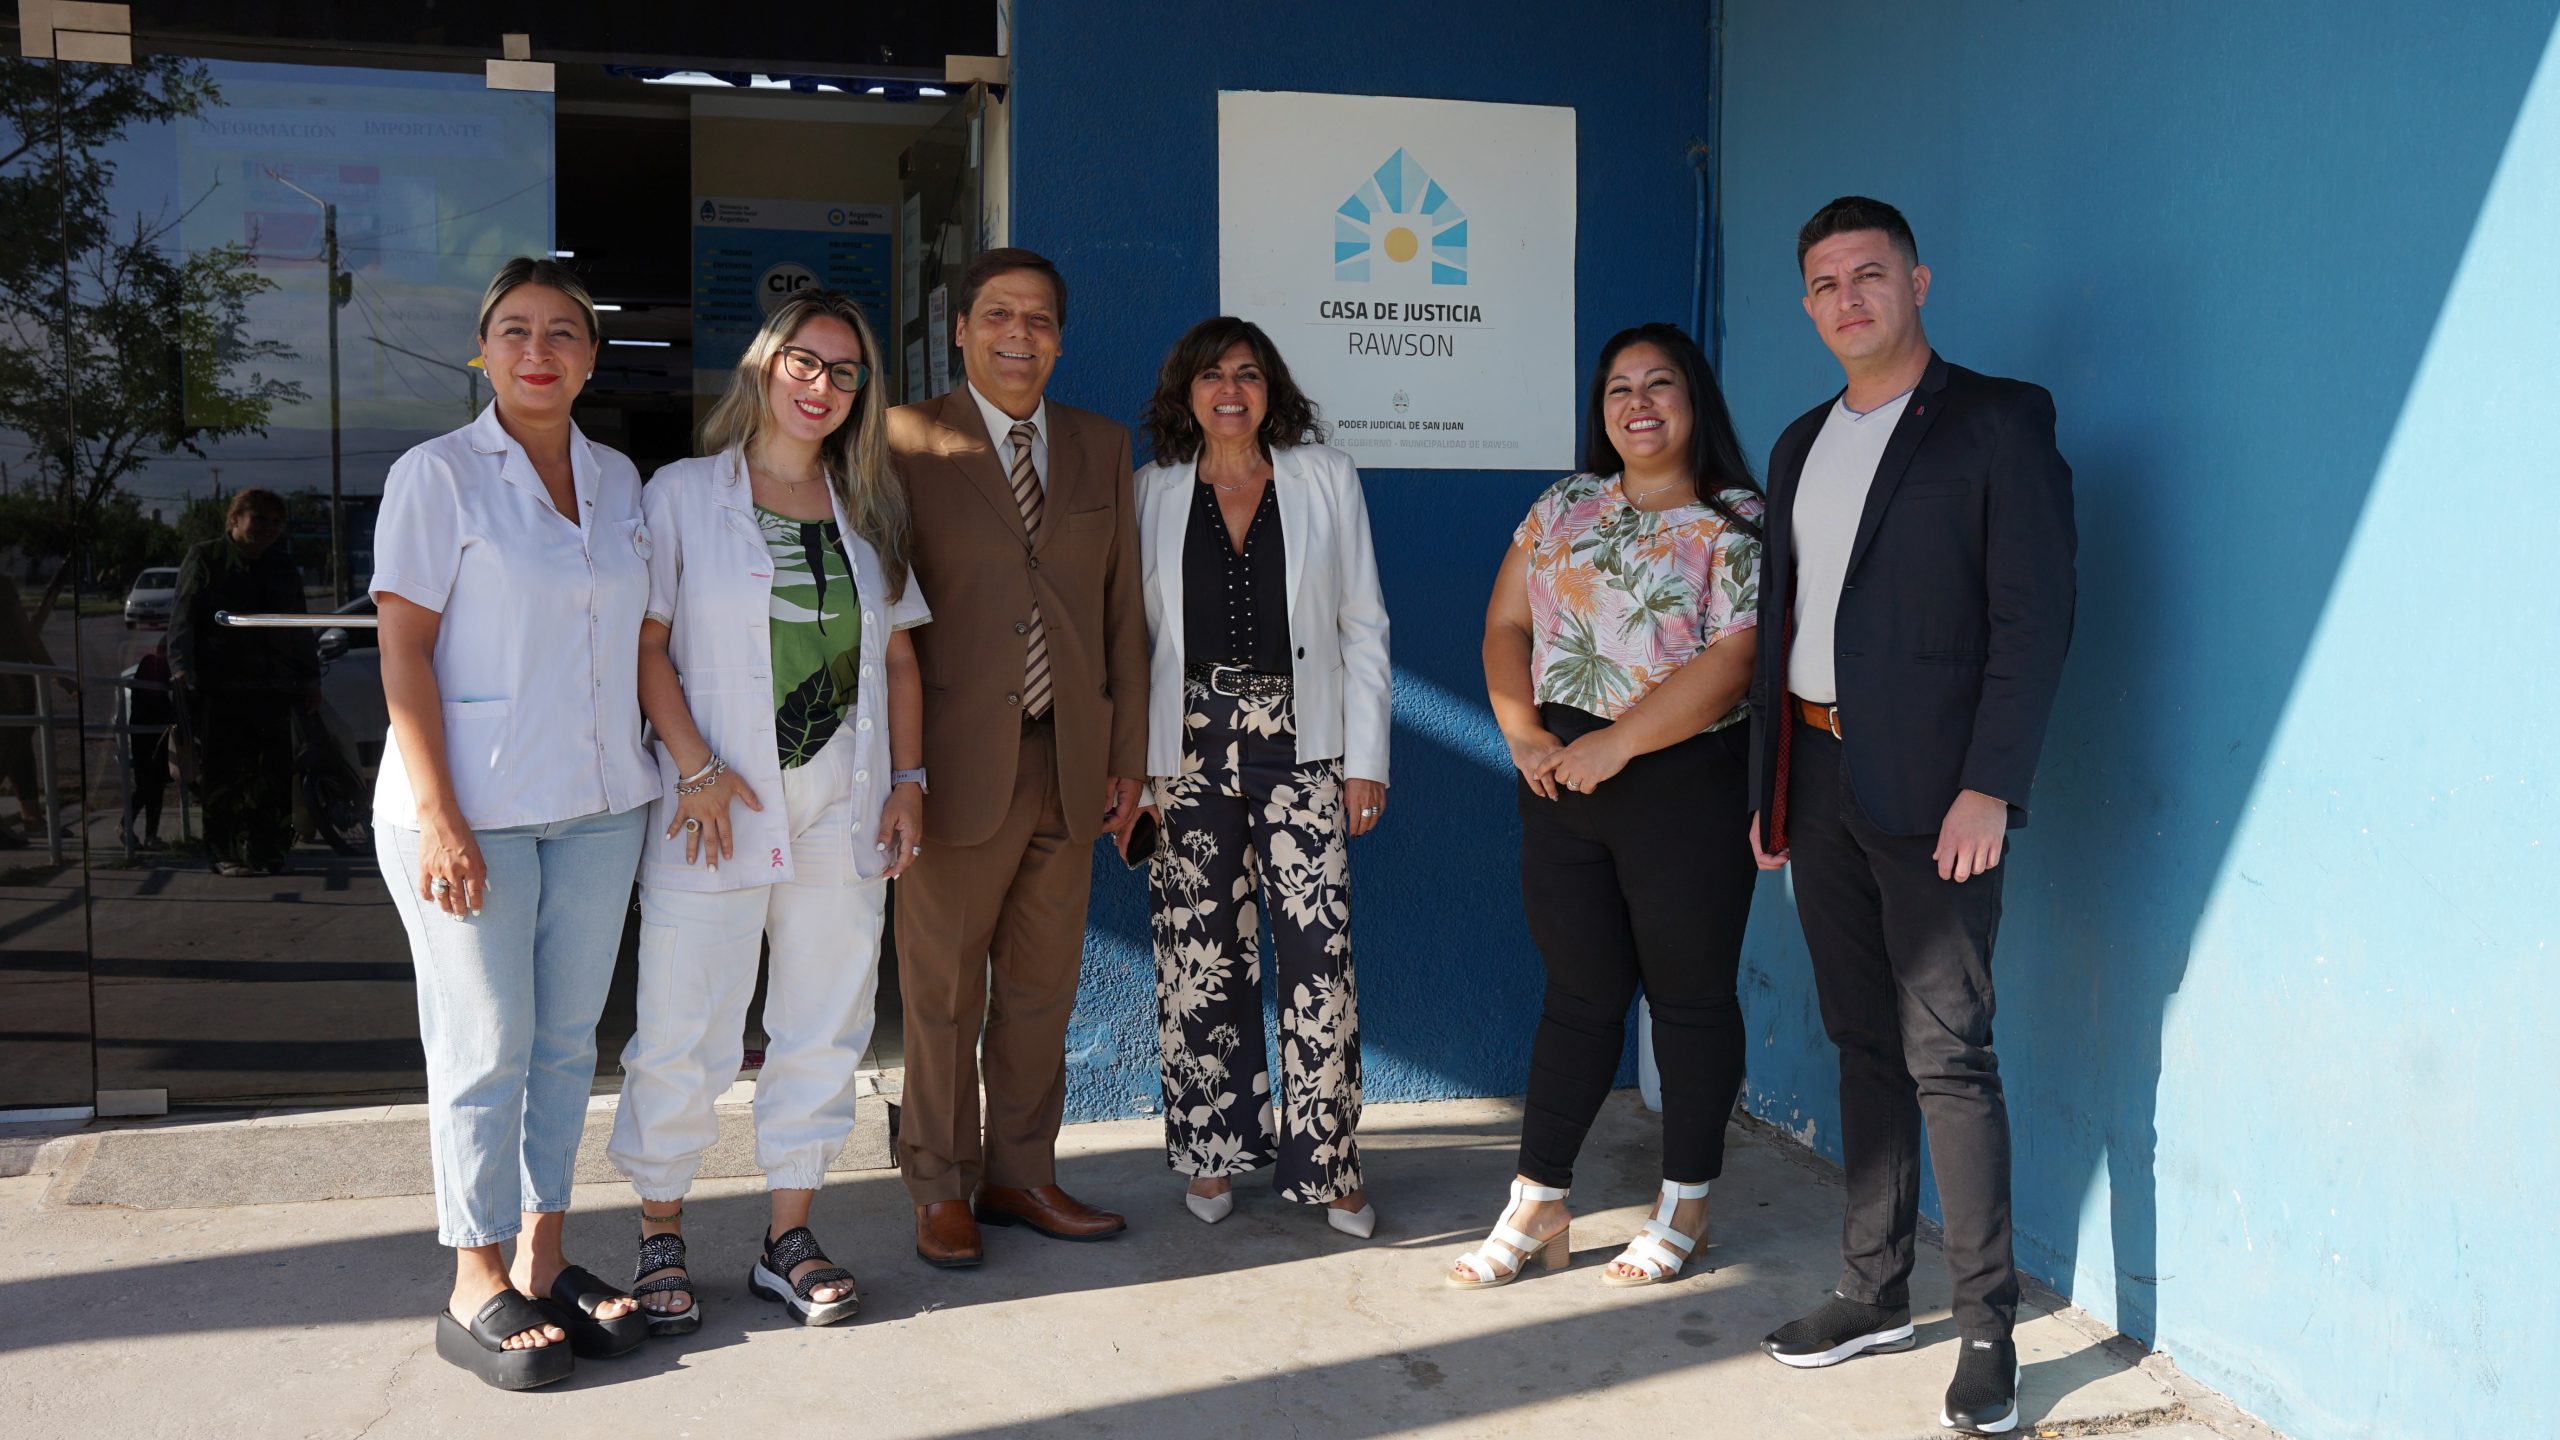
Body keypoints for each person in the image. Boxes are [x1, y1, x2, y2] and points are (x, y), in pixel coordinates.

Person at [1746, 197, 2076, 1437]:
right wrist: (1768, 789)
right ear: (1807, 305)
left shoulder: (1995, 420)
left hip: (1939, 793)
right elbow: (1783, 625)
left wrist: (1991, 782)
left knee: (1949, 1053)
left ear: (1918, 282)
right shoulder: (1798, 442)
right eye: (1825, 283)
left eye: (1869, 275)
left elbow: (2035, 615)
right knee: (1859, 1039)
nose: (1848, 299)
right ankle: (1871, 1290)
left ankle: (1986, 1326)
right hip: (1816, 776)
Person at [604, 291, 929, 1331]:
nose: (822, 385)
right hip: (716, 806)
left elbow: (898, 658)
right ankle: (660, 1233)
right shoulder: (682, 494)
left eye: (844, 371)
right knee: (683, 1028)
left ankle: (789, 1237)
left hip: (842, 807)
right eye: (804, 362)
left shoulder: (867, 507)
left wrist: (910, 781)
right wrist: (694, 768)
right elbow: (646, 645)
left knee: (824, 1024)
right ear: (763, 367)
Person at [371, 257, 657, 1390]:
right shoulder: (437, 475)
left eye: (563, 332)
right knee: (483, 1044)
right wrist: (438, 814)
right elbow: (403, 648)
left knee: (564, 1044)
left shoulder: (620, 479)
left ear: (590, 358)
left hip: (598, 806)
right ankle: (474, 1274)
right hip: (472, 810)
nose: (539, 350)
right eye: (515, 331)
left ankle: (543, 1255)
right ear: (482, 353)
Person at [1454, 322, 1765, 1291]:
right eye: (1619, 388)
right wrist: (1524, 736)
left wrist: (1618, 743)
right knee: (1578, 995)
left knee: (1689, 998)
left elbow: (1736, 659)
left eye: (1659, 383)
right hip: (1560, 779)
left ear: (1693, 399)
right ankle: (1538, 1200)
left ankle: (1686, 1205)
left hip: (1684, 784)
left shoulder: (1738, 520)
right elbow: (1506, 623)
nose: (1638, 403)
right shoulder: (1564, 505)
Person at [886, 247, 1148, 1268]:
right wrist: (898, 769)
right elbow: (884, 621)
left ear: (1060, 340)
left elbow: (1121, 614)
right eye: (997, 315)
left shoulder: (1100, 444)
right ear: (960, 330)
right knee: (943, 994)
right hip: (951, 765)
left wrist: (1128, 757)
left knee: (1042, 994)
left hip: (1070, 763)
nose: (1018, 335)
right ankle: (939, 1185)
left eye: (1038, 319)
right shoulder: (903, 440)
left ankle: (1020, 1172)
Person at [1131, 317, 1390, 1237]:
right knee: (1199, 954)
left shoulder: (1324, 477)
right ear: (1186, 392)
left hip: (1303, 743)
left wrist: (1367, 761)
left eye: (1247, 373)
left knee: (1318, 959)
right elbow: (1132, 644)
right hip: (1187, 749)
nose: (1230, 391)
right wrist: (1137, 777)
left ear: (1270, 387)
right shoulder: (1152, 490)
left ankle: (1331, 1165)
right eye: (1211, 376)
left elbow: (1363, 623)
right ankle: (1213, 1152)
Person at [168, 489, 319, 876]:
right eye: (259, 518)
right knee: (224, 774)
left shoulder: (282, 565)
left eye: (275, 522)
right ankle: (226, 852)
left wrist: (309, 677)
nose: (268, 528)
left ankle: (269, 851)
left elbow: (298, 626)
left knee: (274, 774)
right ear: (235, 518)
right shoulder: (206, 557)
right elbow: (183, 617)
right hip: (222, 685)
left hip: (274, 685)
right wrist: (181, 669)